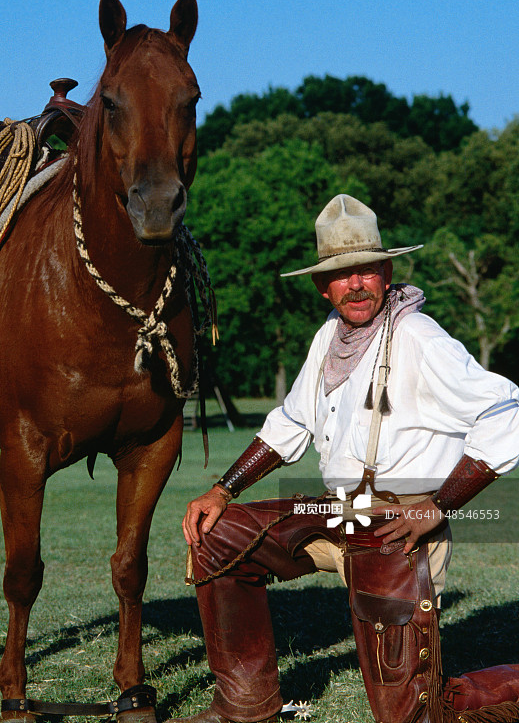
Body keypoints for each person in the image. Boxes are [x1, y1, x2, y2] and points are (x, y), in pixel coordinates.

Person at [169, 195, 519, 723]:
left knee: (413, 716)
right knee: (219, 538)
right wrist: (222, 490)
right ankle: (243, 709)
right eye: (341, 274)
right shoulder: (329, 337)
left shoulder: (419, 338)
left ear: (386, 271)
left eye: (367, 271)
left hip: (399, 528)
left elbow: (507, 411)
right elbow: (289, 423)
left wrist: (441, 504)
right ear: (322, 285)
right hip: (336, 515)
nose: (355, 284)